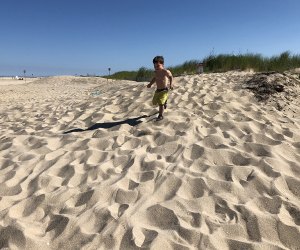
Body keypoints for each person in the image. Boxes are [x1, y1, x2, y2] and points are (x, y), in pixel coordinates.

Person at [147, 56, 173, 121]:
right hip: (158, 90)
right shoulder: (156, 72)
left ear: (162, 64)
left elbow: (170, 77)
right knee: (154, 102)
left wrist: (171, 84)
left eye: (158, 66)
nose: (156, 68)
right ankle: (165, 101)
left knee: (161, 104)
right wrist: (150, 84)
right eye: (155, 66)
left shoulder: (165, 71)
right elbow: (155, 78)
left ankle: (160, 115)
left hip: (164, 90)